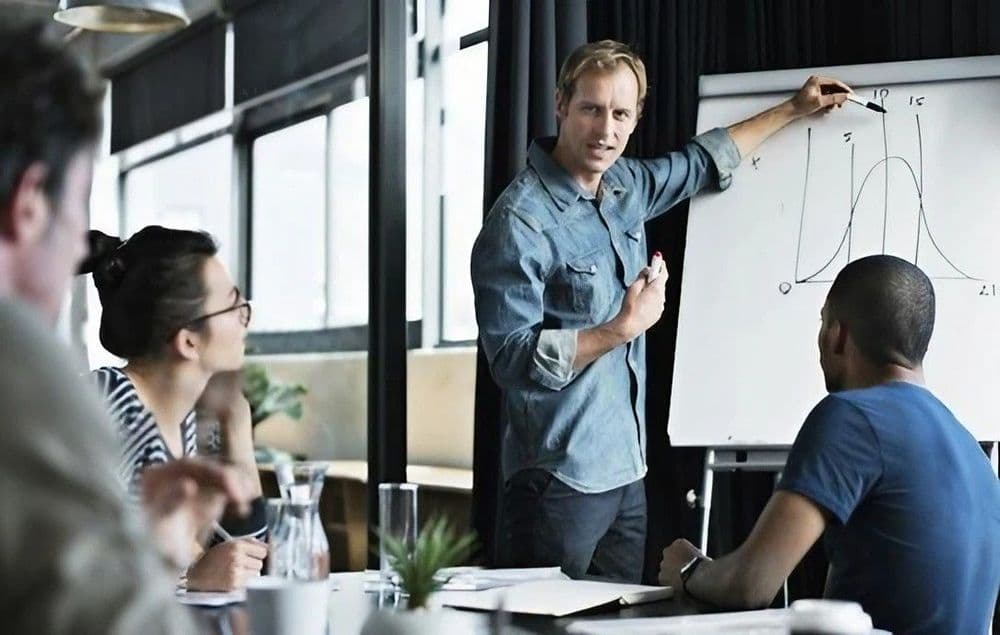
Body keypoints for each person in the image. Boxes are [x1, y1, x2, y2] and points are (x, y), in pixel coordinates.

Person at [471, 39, 851, 582]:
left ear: (635, 118)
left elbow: (702, 162)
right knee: (539, 622)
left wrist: (795, 107)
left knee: (622, 617)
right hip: (557, 482)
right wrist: (622, 328)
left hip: (627, 475)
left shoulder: (625, 185)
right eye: (591, 109)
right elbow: (510, 359)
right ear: (561, 104)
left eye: (620, 114)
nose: (605, 130)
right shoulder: (519, 222)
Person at [0, 23, 254, 633]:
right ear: (30, 203)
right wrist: (178, 571)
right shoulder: (40, 381)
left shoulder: (194, 419)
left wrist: (158, 554)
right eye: (75, 208)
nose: (77, 251)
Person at [659, 255, 1000, 635]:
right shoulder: (974, 453)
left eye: (822, 323)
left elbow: (751, 585)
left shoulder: (852, 416)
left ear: (837, 335)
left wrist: (688, 568)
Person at [80, 226, 269, 592]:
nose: (245, 319)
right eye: (234, 306)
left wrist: (238, 429)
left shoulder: (187, 420)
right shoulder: (106, 407)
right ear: (188, 341)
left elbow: (246, 562)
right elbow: (70, 568)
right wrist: (191, 577)